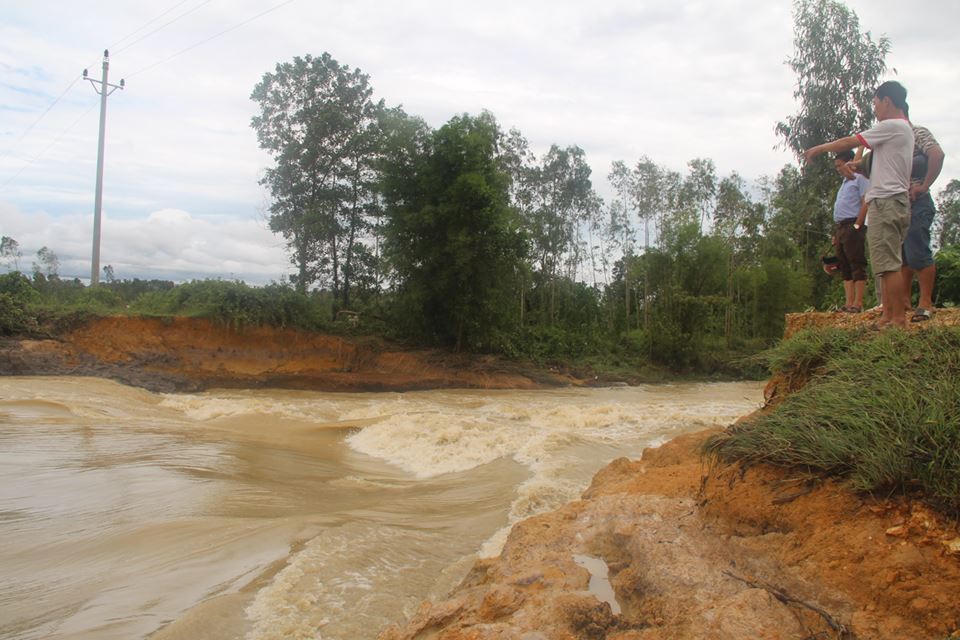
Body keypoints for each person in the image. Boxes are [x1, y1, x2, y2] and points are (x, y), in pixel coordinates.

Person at [804, 81, 914, 329]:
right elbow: (883, 164)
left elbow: (850, 141)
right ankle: (887, 316)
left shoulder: (892, 125)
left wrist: (819, 148)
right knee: (884, 265)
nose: (874, 109)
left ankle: (897, 319)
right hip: (891, 201)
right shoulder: (902, 130)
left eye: (875, 104)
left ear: (887, 101)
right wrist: (858, 166)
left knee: (889, 265)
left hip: (887, 202)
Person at [901, 107, 945, 322]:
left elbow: (937, 154)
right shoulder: (893, 142)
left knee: (917, 250)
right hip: (896, 206)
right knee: (902, 256)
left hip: (917, 202)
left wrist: (925, 185)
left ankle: (926, 303)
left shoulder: (917, 133)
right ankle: (904, 301)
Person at [830, 149, 870, 312]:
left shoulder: (860, 179)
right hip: (841, 227)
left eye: (839, 166)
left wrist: (857, 225)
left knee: (856, 263)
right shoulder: (845, 183)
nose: (838, 169)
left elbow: (865, 201)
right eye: (836, 167)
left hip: (853, 225)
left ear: (848, 163)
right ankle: (848, 303)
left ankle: (858, 303)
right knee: (844, 265)